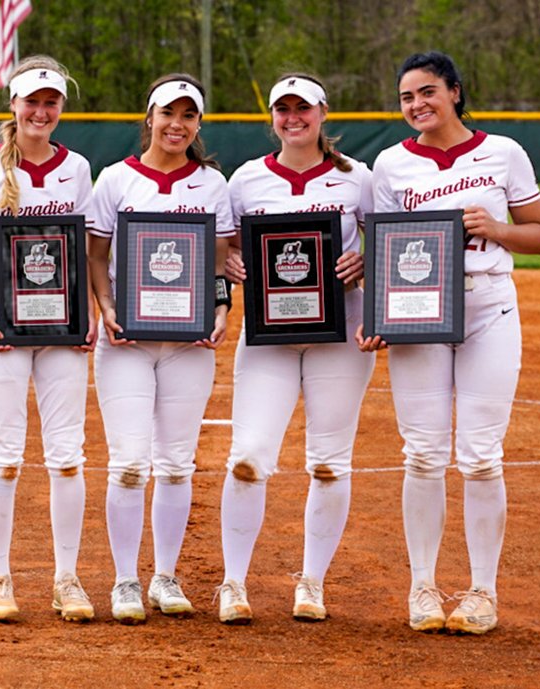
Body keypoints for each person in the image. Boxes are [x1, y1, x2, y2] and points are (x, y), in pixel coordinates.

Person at [359, 51, 540, 634]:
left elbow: (539, 236)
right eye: (406, 97)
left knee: (481, 455)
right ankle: (423, 586)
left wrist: (495, 229)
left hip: (490, 308)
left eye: (427, 93)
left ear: (455, 93)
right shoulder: (390, 165)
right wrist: (379, 314)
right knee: (421, 452)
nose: (417, 105)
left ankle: (482, 592)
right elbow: (383, 252)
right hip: (419, 318)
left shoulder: (503, 152)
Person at [216, 74, 374, 624]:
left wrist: (369, 263)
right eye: (282, 109)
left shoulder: (358, 179)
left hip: (341, 336)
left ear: (323, 112)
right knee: (247, 458)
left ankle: (312, 582)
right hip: (269, 340)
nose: (292, 118)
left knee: (330, 464)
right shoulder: (247, 179)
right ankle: (233, 583)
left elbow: (393, 246)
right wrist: (228, 265)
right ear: (273, 117)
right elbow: (224, 247)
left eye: (302, 108)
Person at [0, 56, 98, 623]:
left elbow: (82, 250)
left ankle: (67, 579)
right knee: (5, 456)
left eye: (51, 101)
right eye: (32, 100)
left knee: (66, 457)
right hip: (1, 322)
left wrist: (85, 311)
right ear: (13, 104)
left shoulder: (77, 168)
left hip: (61, 327)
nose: (41, 111)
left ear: (62, 106)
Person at [87, 74, 232, 625]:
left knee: (175, 465)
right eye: (167, 113)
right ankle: (125, 579)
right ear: (149, 117)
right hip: (127, 341)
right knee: (128, 463)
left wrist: (220, 310)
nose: (177, 124)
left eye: (188, 115)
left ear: (198, 124)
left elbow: (219, 265)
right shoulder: (117, 179)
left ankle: (164, 575)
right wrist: (106, 307)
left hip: (188, 344)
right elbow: (97, 257)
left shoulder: (211, 185)